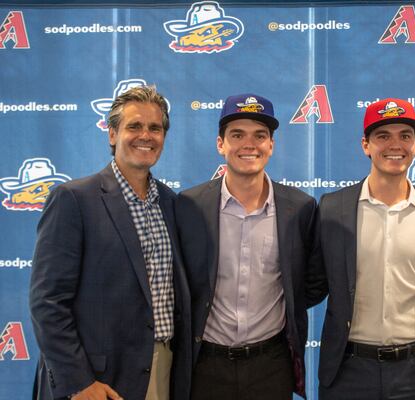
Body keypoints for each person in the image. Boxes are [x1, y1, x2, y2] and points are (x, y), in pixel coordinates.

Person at [29, 85, 191, 400]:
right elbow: (46, 303)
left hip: (161, 372)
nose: (145, 135)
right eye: (134, 126)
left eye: (154, 128)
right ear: (112, 134)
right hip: (96, 380)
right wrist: (78, 381)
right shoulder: (74, 200)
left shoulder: (173, 205)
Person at [175, 93, 323, 400]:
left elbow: (312, 282)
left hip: (271, 365)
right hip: (205, 366)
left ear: (271, 145)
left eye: (259, 135)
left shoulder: (301, 208)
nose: (249, 144)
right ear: (221, 144)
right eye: (237, 135)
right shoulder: (189, 206)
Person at [315, 98, 415, 399]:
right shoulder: (331, 209)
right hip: (348, 371)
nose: (395, 144)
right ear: (366, 145)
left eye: (405, 136)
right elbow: (311, 283)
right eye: (383, 136)